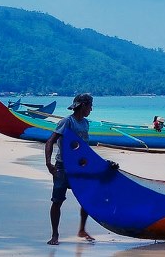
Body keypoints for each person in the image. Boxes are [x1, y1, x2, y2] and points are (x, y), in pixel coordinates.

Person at [44, 93, 95, 245]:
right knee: (57, 201)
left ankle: (82, 230)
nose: (91, 109)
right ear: (83, 106)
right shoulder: (67, 122)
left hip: (80, 168)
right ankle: (55, 235)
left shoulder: (85, 123)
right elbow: (50, 141)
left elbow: (85, 148)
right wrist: (48, 163)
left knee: (86, 200)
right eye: (90, 106)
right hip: (62, 167)